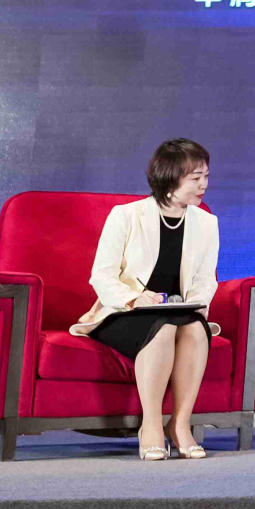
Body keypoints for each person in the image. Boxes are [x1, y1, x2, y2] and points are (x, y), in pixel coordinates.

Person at [73, 138, 222, 460]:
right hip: (125, 312)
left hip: (179, 311)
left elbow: (205, 278)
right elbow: (102, 275)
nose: (204, 185)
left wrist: (195, 301)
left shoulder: (207, 223)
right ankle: (151, 425)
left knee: (196, 329)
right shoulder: (126, 215)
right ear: (170, 178)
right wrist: (135, 299)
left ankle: (179, 424)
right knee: (164, 328)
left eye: (206, 177)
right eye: (196, 178)